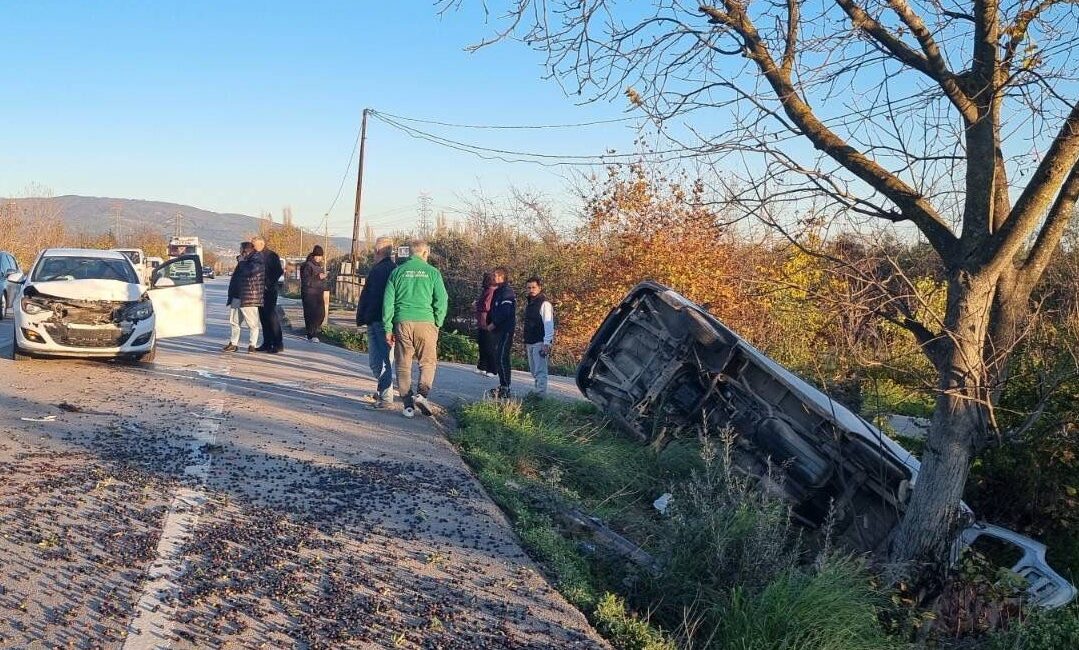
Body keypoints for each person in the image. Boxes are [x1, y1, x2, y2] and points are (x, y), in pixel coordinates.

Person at [382, 241, 448, 418]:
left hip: (402, 321)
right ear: (425, 253)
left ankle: (407, 405)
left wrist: (388, 327)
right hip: (426, 322)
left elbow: (388, 303)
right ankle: (422, 395)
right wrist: (438, 322)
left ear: (409, 253)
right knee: (427, 362)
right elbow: (442, 300)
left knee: (403, 364)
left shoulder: (397, 272)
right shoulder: (433, 273)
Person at [356, 237, 396, 409]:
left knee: (383, 361)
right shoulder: (386, 269)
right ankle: (382, 391)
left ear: (378, 251)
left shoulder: (385, 270)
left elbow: (376, 297)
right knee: (377, 361)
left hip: (382, 321)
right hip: (375, 319)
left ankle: (386, 398)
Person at [223, 242, 263, 352]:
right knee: (234, 321)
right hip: (237, 295)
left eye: (241, 250)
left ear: (246, 251)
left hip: (249, 296)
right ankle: (233, 343)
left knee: (252, 323)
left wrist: (241, 262)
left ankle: (252, 345)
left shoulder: (256, 260)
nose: (240, 252)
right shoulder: (244, 261)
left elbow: (250, 273)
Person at [523, 276, 555, 396]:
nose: (531, 290)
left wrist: (547, 343)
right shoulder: (530, 303)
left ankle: (540, 395)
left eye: (533, 287)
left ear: (539, 288)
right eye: (529, 287)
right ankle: (537, 391)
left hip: (540, 341)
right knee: (533, 370)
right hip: (530, 341)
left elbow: (548, 324)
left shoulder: (545, 304)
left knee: (540, 370)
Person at [488, 266, 517, 399]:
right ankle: (502, 385)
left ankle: (506, 387)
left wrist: (494, 323)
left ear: (502, 277)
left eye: (495, 275)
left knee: (502, 357)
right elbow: (493, 309)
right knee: (497, 357)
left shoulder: (507, 292)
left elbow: (505, 311)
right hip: (497, 331)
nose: (493, 277)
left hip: (505, 330)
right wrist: (489, 322)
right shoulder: (497, 291)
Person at [253, 236, 285, 353]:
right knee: (263, 317)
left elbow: (278, 271)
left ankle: (278, 343)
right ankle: (267, 343)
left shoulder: (271, 256)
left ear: (261, 244)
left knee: (271, 317)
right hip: (259, 291)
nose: (253, 247)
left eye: (255, 245)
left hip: (269, 290)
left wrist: (269, 283)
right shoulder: (256, 255)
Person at [300, 245, 328, 341]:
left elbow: (320, 279)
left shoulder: (318, 265)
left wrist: (324, 283)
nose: (320, 258)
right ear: (314, 255)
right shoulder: (307, 265)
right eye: (318, 256)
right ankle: (312, 334)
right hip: (309, 293)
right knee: (311, 314)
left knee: (321, 314)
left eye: (321, 256)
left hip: (318, 292)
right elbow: (306, 281)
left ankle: (312, 332)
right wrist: (318, 278)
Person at [474, 271, 498, 378]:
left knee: (488, 346)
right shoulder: (486, 291)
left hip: (486, 322)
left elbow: (486, 306)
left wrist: (477, 304)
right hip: (482, 322)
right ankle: (482, 366)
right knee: (482, 345)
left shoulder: (491, 291)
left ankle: (492, 369)